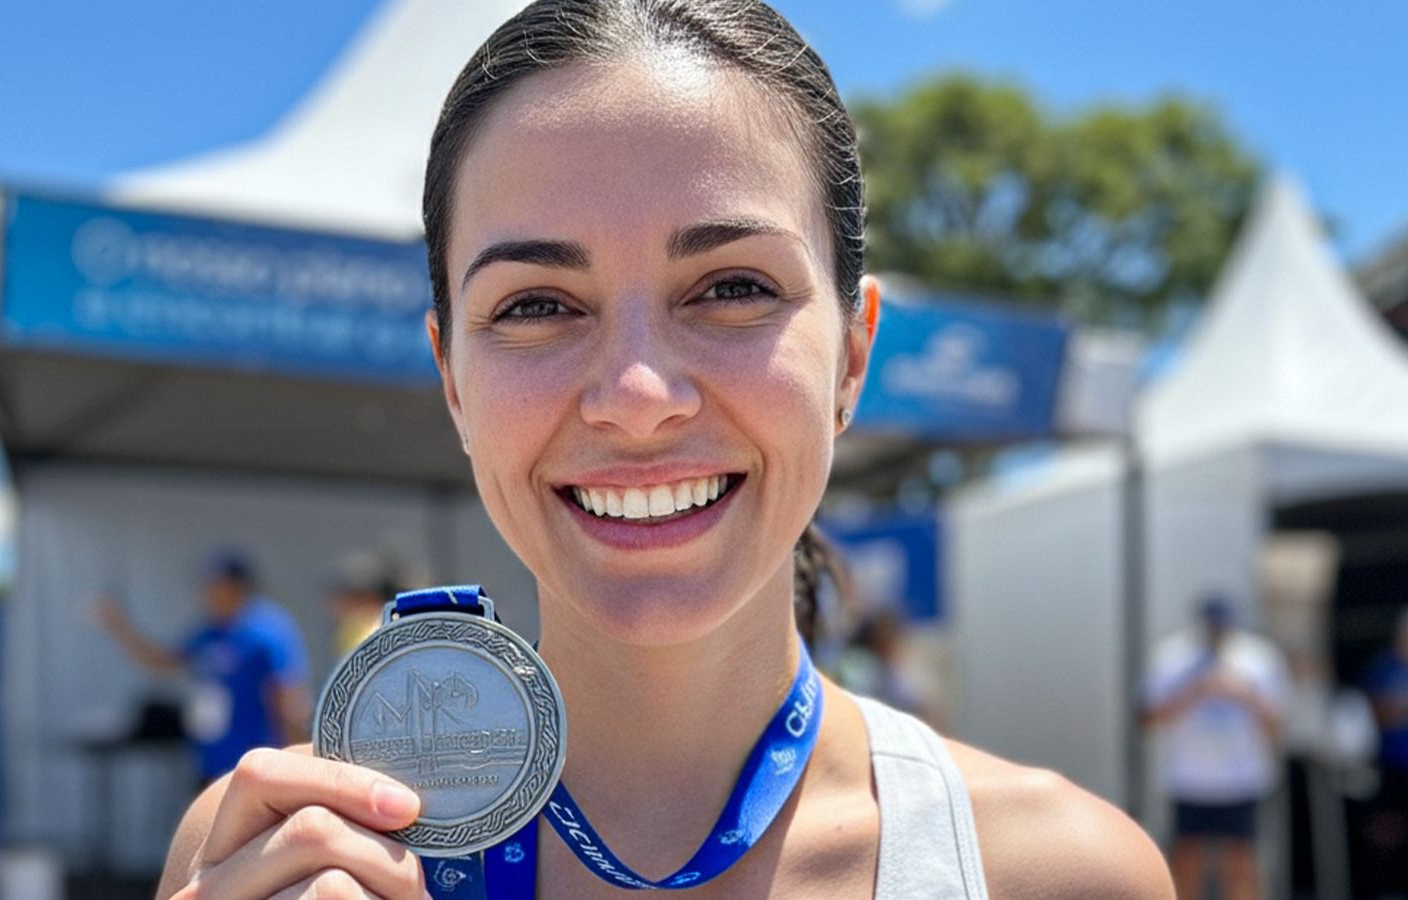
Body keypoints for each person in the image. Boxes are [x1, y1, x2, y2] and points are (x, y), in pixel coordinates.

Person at [154, 3, 1174, 898]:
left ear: (854, 356)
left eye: (733, 288)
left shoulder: (1060, 875)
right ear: (454, 380)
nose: (638, 399)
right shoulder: (277, 854)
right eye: (537, 305)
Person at [94, 549, 313, 782]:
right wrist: (119, 626)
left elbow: (290, 696)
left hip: (258, 764)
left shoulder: (266, 630)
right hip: (212, 762)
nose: (208, 593)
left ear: (238, 586)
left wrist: (296, 763)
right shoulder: (208, 632)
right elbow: (163, 662)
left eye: (217, 585)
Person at [1143, 596, 1289, 900]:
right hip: (1189, 780)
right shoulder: (1172, 655)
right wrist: (1195, 691)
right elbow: (1149, 718)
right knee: (1186, 860)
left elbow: (1277, 724)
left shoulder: (1258, 657)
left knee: (1241, 863)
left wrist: (1245, 695)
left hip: (1240, 780)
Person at [1356, 600, 1408, 897]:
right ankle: (1389, 889)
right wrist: (1401, 709)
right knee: (1389, 832)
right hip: (1395, 767)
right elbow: (1372, 710)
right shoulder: (1387, 666)